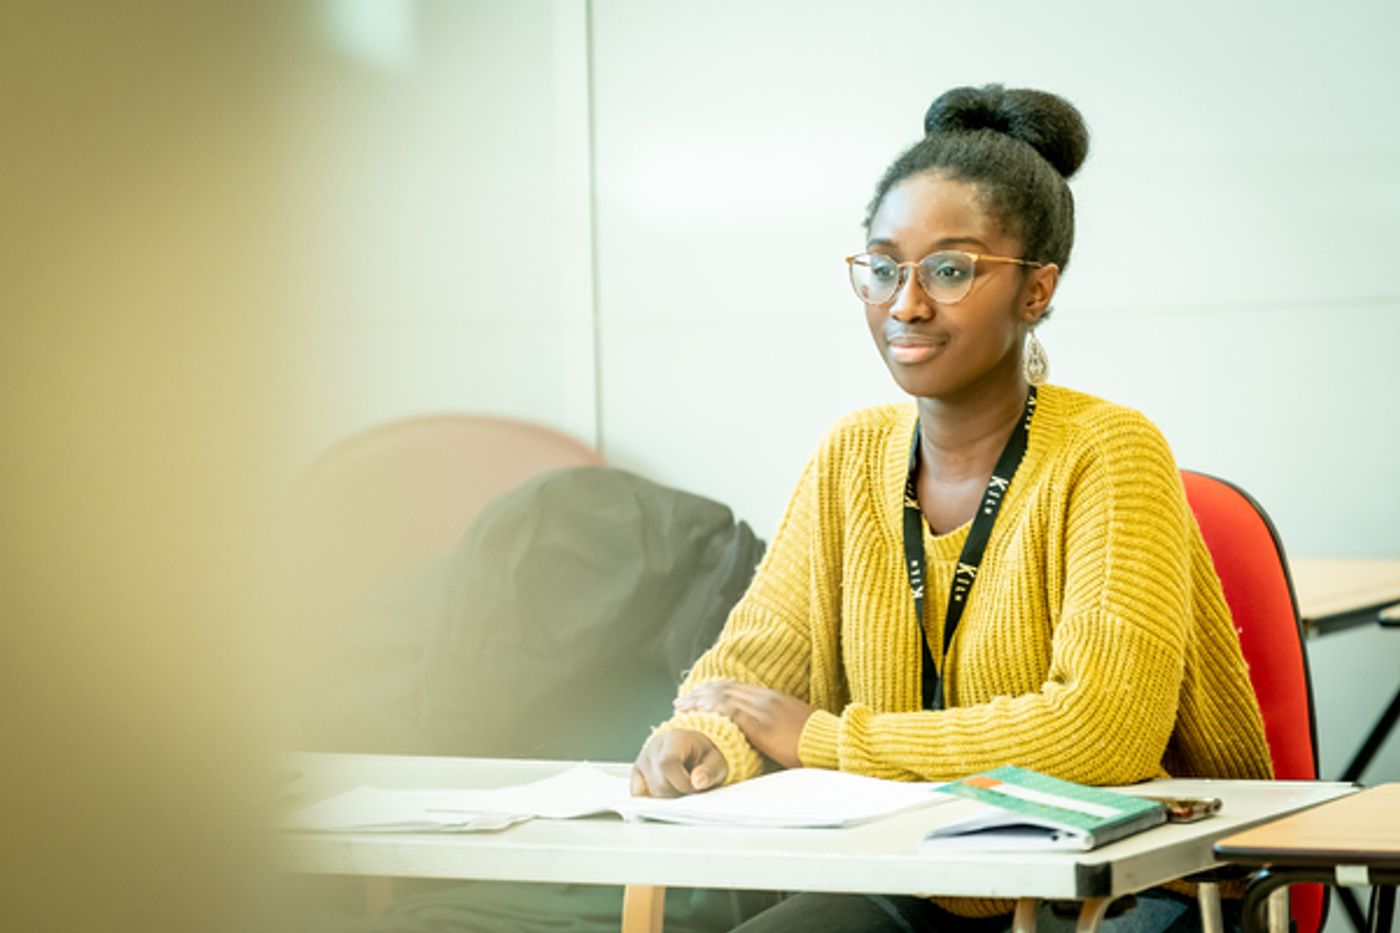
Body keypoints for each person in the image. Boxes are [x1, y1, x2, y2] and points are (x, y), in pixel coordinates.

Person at [629, 84, 1274, 932]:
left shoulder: (1111, 451)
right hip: (916, 869)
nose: (905, 303)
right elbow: (752, 678)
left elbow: (1100, 731)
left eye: (950, 269)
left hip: (1115, 885)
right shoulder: (850, 456)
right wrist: (712, 741)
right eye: (886, 266)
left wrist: (824, 740)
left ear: (1035, 291)